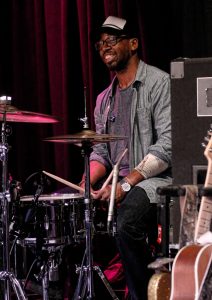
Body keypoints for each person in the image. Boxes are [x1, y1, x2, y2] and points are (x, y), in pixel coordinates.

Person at [79, 15, 172, 300]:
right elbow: (101, 153)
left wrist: (126, 185)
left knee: (127, 220)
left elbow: (168, 144)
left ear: (133, 44)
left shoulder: (159, 83)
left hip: (156, 179)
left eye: (112, 40)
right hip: (119, 185)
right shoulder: (103, 100)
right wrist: (87, 182)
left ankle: (147, 293)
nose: (105, 47)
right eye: (101, 43)